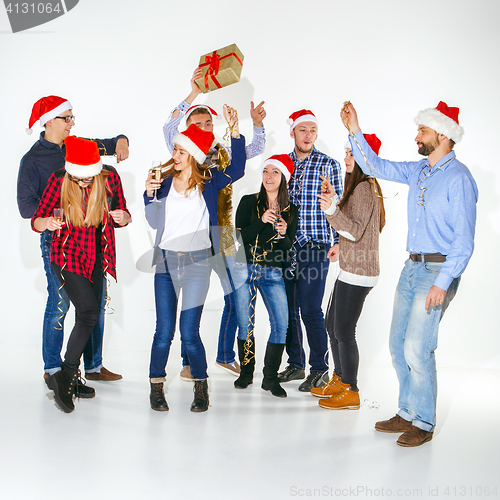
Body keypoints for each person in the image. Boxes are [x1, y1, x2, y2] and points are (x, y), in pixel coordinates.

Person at [341, 101, 478, 446]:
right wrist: (355, 129)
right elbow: (375, 164)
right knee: (397, 346)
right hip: (411, 267)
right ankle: (406, 412)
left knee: (418, 349)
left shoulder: (459, 179)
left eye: (423, 130)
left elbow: (463, 241)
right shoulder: (419, 170)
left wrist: (443, 283)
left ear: (443, 135)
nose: (416, 136)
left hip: (437, 271)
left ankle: (425, 422)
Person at [17, 95, 129, 385]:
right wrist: (63, 202)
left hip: (91, 240)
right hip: (57, 239)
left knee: (95, 303)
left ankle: (92, 366)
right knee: (60, 303)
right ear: (49, 121)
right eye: (66, 118)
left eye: (72, 117)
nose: (72, 123)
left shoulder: (77, 144)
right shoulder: (33, 160)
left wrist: (122, 141)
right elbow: (27, 208)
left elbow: (112, 142)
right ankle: (54, 368)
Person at [163, 68, 266, 379]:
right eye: (198, 124)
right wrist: (192, 94)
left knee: (238, 292)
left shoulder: (221, 155)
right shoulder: (180, 154)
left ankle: (223, 354)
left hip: (222, 236)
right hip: (192, 239)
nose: (205, 127)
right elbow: (168, 126)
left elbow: (253, 152)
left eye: (209, 123)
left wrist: (255, 125)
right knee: (189, 303)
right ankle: (186, 363)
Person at [145, 106, 246, 413]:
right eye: (174, 149)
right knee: (164, 330)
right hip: (165, 264)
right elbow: (151, 221)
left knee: (190, 331)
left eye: (180, 150)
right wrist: (150, 196)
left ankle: (201, 386)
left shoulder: (210, 180)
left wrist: (236, 131)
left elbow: (239, 168)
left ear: (192, 154)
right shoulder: (160, 182)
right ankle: (156, 387)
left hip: (198, 264)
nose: (174, 154)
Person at [31, 136, 131, 413]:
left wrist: (124, 217)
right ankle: (65, 375)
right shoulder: (59, 179)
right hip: (66, 254)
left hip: (97, 255)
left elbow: (123, 212)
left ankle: (71, 378)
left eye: (89, 179)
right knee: (88, 312)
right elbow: (36, 220)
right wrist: (47, 222)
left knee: (89, 313)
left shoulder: (109, 178)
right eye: (80, 180)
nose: (85, 184)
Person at [314, 134, 385, 410]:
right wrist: (343, 248)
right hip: (350, 267)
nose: (345, 158)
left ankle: (351, 390)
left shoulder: (366, 188)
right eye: (346, 152)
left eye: (350, 153)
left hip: (360, 273)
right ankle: (340, 378)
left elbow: (354, 230)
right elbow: (359, 230)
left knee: (344, 330)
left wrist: (331, 208)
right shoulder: (358, 188)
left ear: (365, 159)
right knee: (332, 325)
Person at [278, 109, 343, 392]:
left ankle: (320, 370)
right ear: (292, 132)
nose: (308, 135)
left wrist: (339, 240)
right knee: (288, 310)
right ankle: (295, 363)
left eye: (312, 131)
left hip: (315, 246)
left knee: (311, 310)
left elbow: (339, 205)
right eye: (302, 130)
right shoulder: (280, 165)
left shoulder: (328, 165)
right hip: (285, 247)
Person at [232, 155, 298, 398]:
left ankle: (269, 378)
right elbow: (240, 239)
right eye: (266, 171)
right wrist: (261, 221)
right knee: (245, 323)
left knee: (281, 324)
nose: (269, 176)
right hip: (245, 269)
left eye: (275, 172)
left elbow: (287, 249)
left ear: (283, 179)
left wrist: (283, 234)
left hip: (272, 272)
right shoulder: (248, 202)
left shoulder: (291, 210)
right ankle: (246, 373)